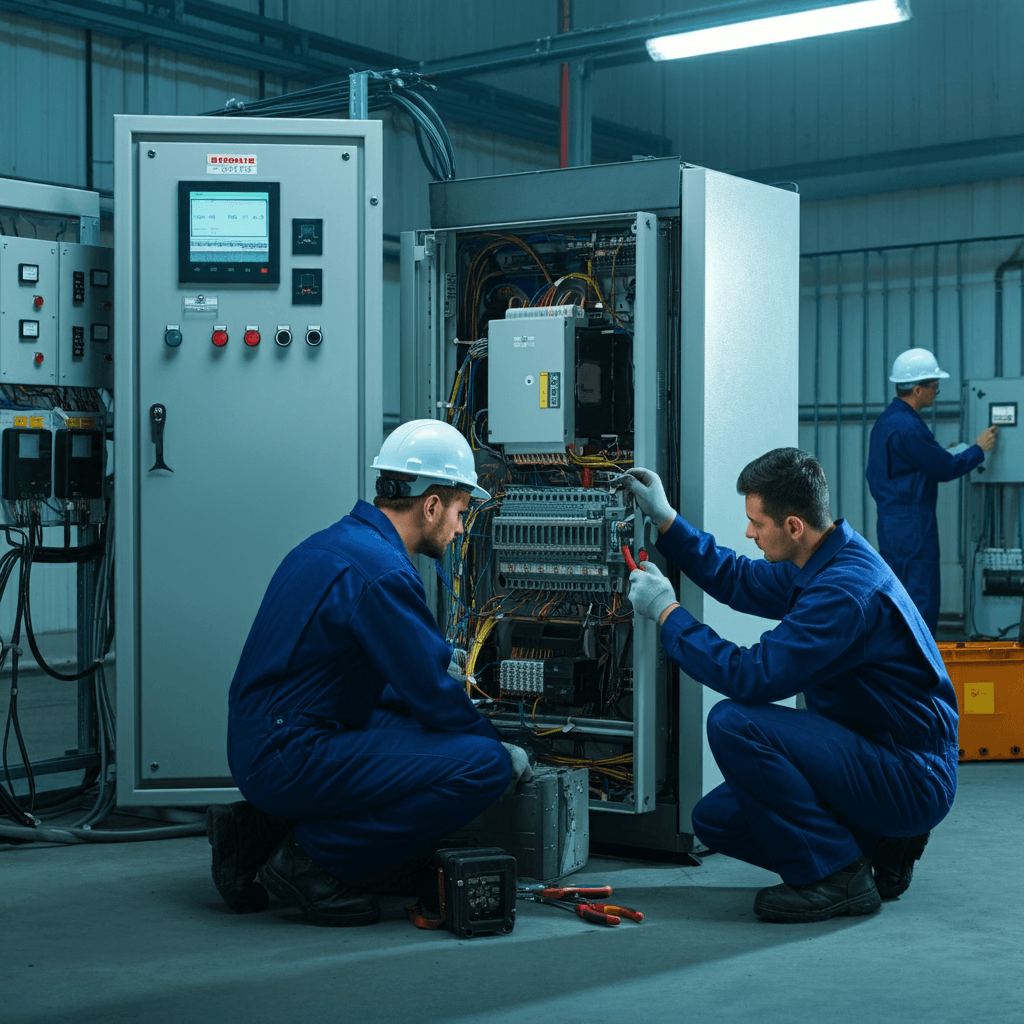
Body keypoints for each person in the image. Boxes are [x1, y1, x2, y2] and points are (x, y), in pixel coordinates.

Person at [206, 419, 529, 926]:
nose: (462, 528)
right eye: (461, 512)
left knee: (410, 725)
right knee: (481, 765)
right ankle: (311, 860)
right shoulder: (381, 572)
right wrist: (498, 747)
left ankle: (254, 834)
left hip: (262, 744)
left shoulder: (333, 543)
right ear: (430, 505)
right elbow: (432, 692)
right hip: (289, 754)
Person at [621, 449, 959, 923]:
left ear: (794, 525)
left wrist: (667, 613)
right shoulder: (823, 556)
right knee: (715, 821)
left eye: (757, 523)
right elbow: (738, 578)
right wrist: (666, 520)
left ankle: (839, 878)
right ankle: (875, 851)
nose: (749, 533)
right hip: (875, 751)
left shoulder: (842, 593)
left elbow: (750, 676)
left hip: (909, 775)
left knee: (735, 722)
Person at [866, 347, 998, 634]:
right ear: (917, 389)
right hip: (914, 523)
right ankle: (921, 669)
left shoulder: (887, 421)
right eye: (934, 386)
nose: (937, 391)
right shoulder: (909, 427)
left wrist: (941, 453)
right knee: (921, 594)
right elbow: (944, 470)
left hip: (891, 522)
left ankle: (894, 662)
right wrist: (978, 450)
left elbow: (901, 467)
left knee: (897, 593)